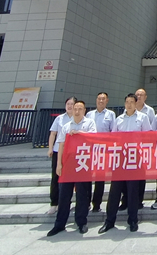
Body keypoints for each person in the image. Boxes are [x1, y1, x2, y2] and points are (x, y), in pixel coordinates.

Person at [98, 93, 151, 234]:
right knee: (114, 191)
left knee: (133, 191)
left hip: (135, 158)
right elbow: (113, 136)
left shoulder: (143, 118)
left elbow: (148, 136)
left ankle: (132, 220)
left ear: (136, 103)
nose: (129, 104)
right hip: (120, 159)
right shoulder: (119, 119)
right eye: (127, 102)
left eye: (131, 102)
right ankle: (109, 221)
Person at [47, 100, 97, 236]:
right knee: (64, 195)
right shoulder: (66, 126)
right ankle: (59, 224)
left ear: (84, 110)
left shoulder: (89, 123)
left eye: (80, 109)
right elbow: (61, 146)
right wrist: (59, 164)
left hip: (83, 163)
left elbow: (93, 138)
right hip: (68, 164)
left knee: (82, 194)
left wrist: (79, 133)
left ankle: (81, 222)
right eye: (75, 108)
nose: (77, 111)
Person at [85, 91, 116, 212]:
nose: (101, 101)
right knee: (87, 177)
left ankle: (96, 203)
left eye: (103, 99)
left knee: (100, 178)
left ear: (107, 101)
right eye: (99, 99)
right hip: (90, 149)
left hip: (103, 150)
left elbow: (113, 132)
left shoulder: (111, 114)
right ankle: (86, 201)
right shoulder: (89, 114)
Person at [46, 96, 75, 215]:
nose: (70, 106)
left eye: (72, 104)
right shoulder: (59, 118)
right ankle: (54, 203)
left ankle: (67, 202)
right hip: (58, 151)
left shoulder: (78, 118)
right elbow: (53, 134)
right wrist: (50, 148)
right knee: (55, 177)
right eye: (68, 104)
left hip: (72, 152)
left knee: (71, 178)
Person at [134, 88, 155, 210]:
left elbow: (151, 129)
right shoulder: (127, 111)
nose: (139, 97)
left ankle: (139, 200)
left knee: (141, 175)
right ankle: (126, 200)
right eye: (137, 95)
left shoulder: (149, 111)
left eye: (141, 95)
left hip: (142, 149)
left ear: (145, 97)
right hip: (128, 150)